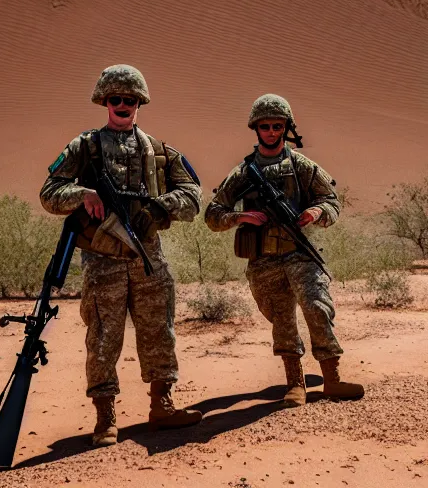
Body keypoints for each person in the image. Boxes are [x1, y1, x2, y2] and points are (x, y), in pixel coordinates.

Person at [40, 64, 202, 446]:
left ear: (139, 102)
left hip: (148, 259)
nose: (123, 105)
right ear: (105, 102)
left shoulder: (161, 151)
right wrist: (83, 195)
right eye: (116, 99)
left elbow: (193, 195)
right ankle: (105, 418)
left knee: (159, 332)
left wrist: (161, 208)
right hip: (102, 261)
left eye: (130, 100)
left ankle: (162, 406)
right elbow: (49, 193)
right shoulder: (85, 148)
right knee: (102, 338)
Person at [204, 94, 364, 406]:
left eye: (278, 126)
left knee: (318, 309)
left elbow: (330, 200)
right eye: (265, 126)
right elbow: (213, 214)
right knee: (281, 319)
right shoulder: (243, 173)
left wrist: (316, 214)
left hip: (299, 252)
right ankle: (295, 384)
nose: (272, 131)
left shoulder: (302, 166)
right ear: (256, 128)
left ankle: (332, 379)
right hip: (263, 259)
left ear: (286, 128)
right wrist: (241, 216)